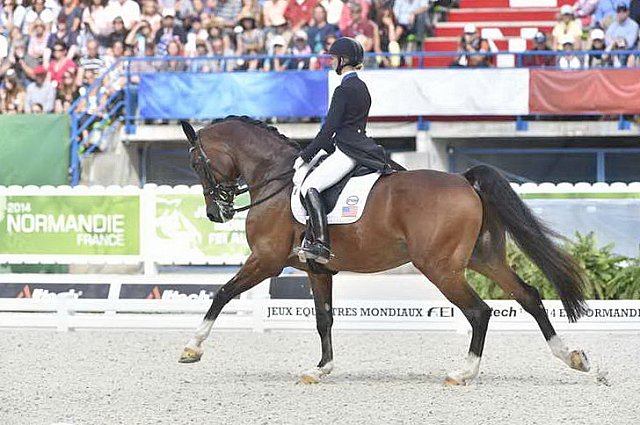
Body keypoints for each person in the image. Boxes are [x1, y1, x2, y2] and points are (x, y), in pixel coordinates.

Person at [292, 37, 391, 264]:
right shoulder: (362, 87)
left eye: (333, 59)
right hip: (358, 145)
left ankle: (321, 244)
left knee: (310, 186)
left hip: (348, 151)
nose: (330, 62)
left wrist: (304, 155)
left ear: (343, 60)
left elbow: (328, 130)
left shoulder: (343, 89)